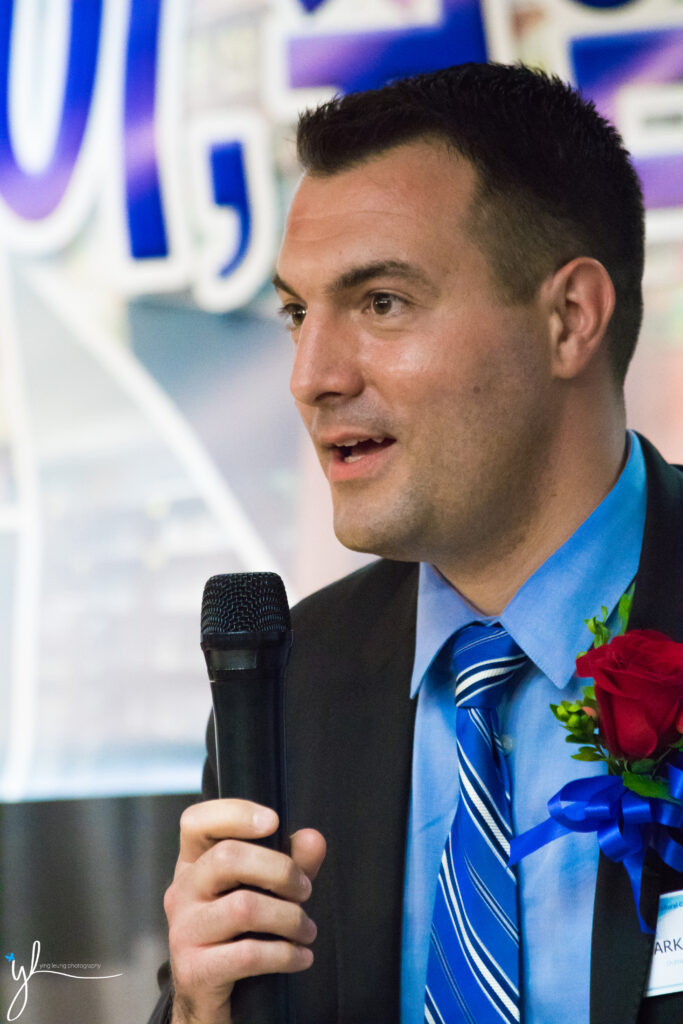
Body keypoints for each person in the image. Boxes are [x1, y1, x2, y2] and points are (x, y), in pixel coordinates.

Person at [149, 62, 683, 1024]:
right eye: (297, 313)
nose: (310, 375)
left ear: (568, 320)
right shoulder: (291, 681)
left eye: (382, 302)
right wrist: (199, 1009)